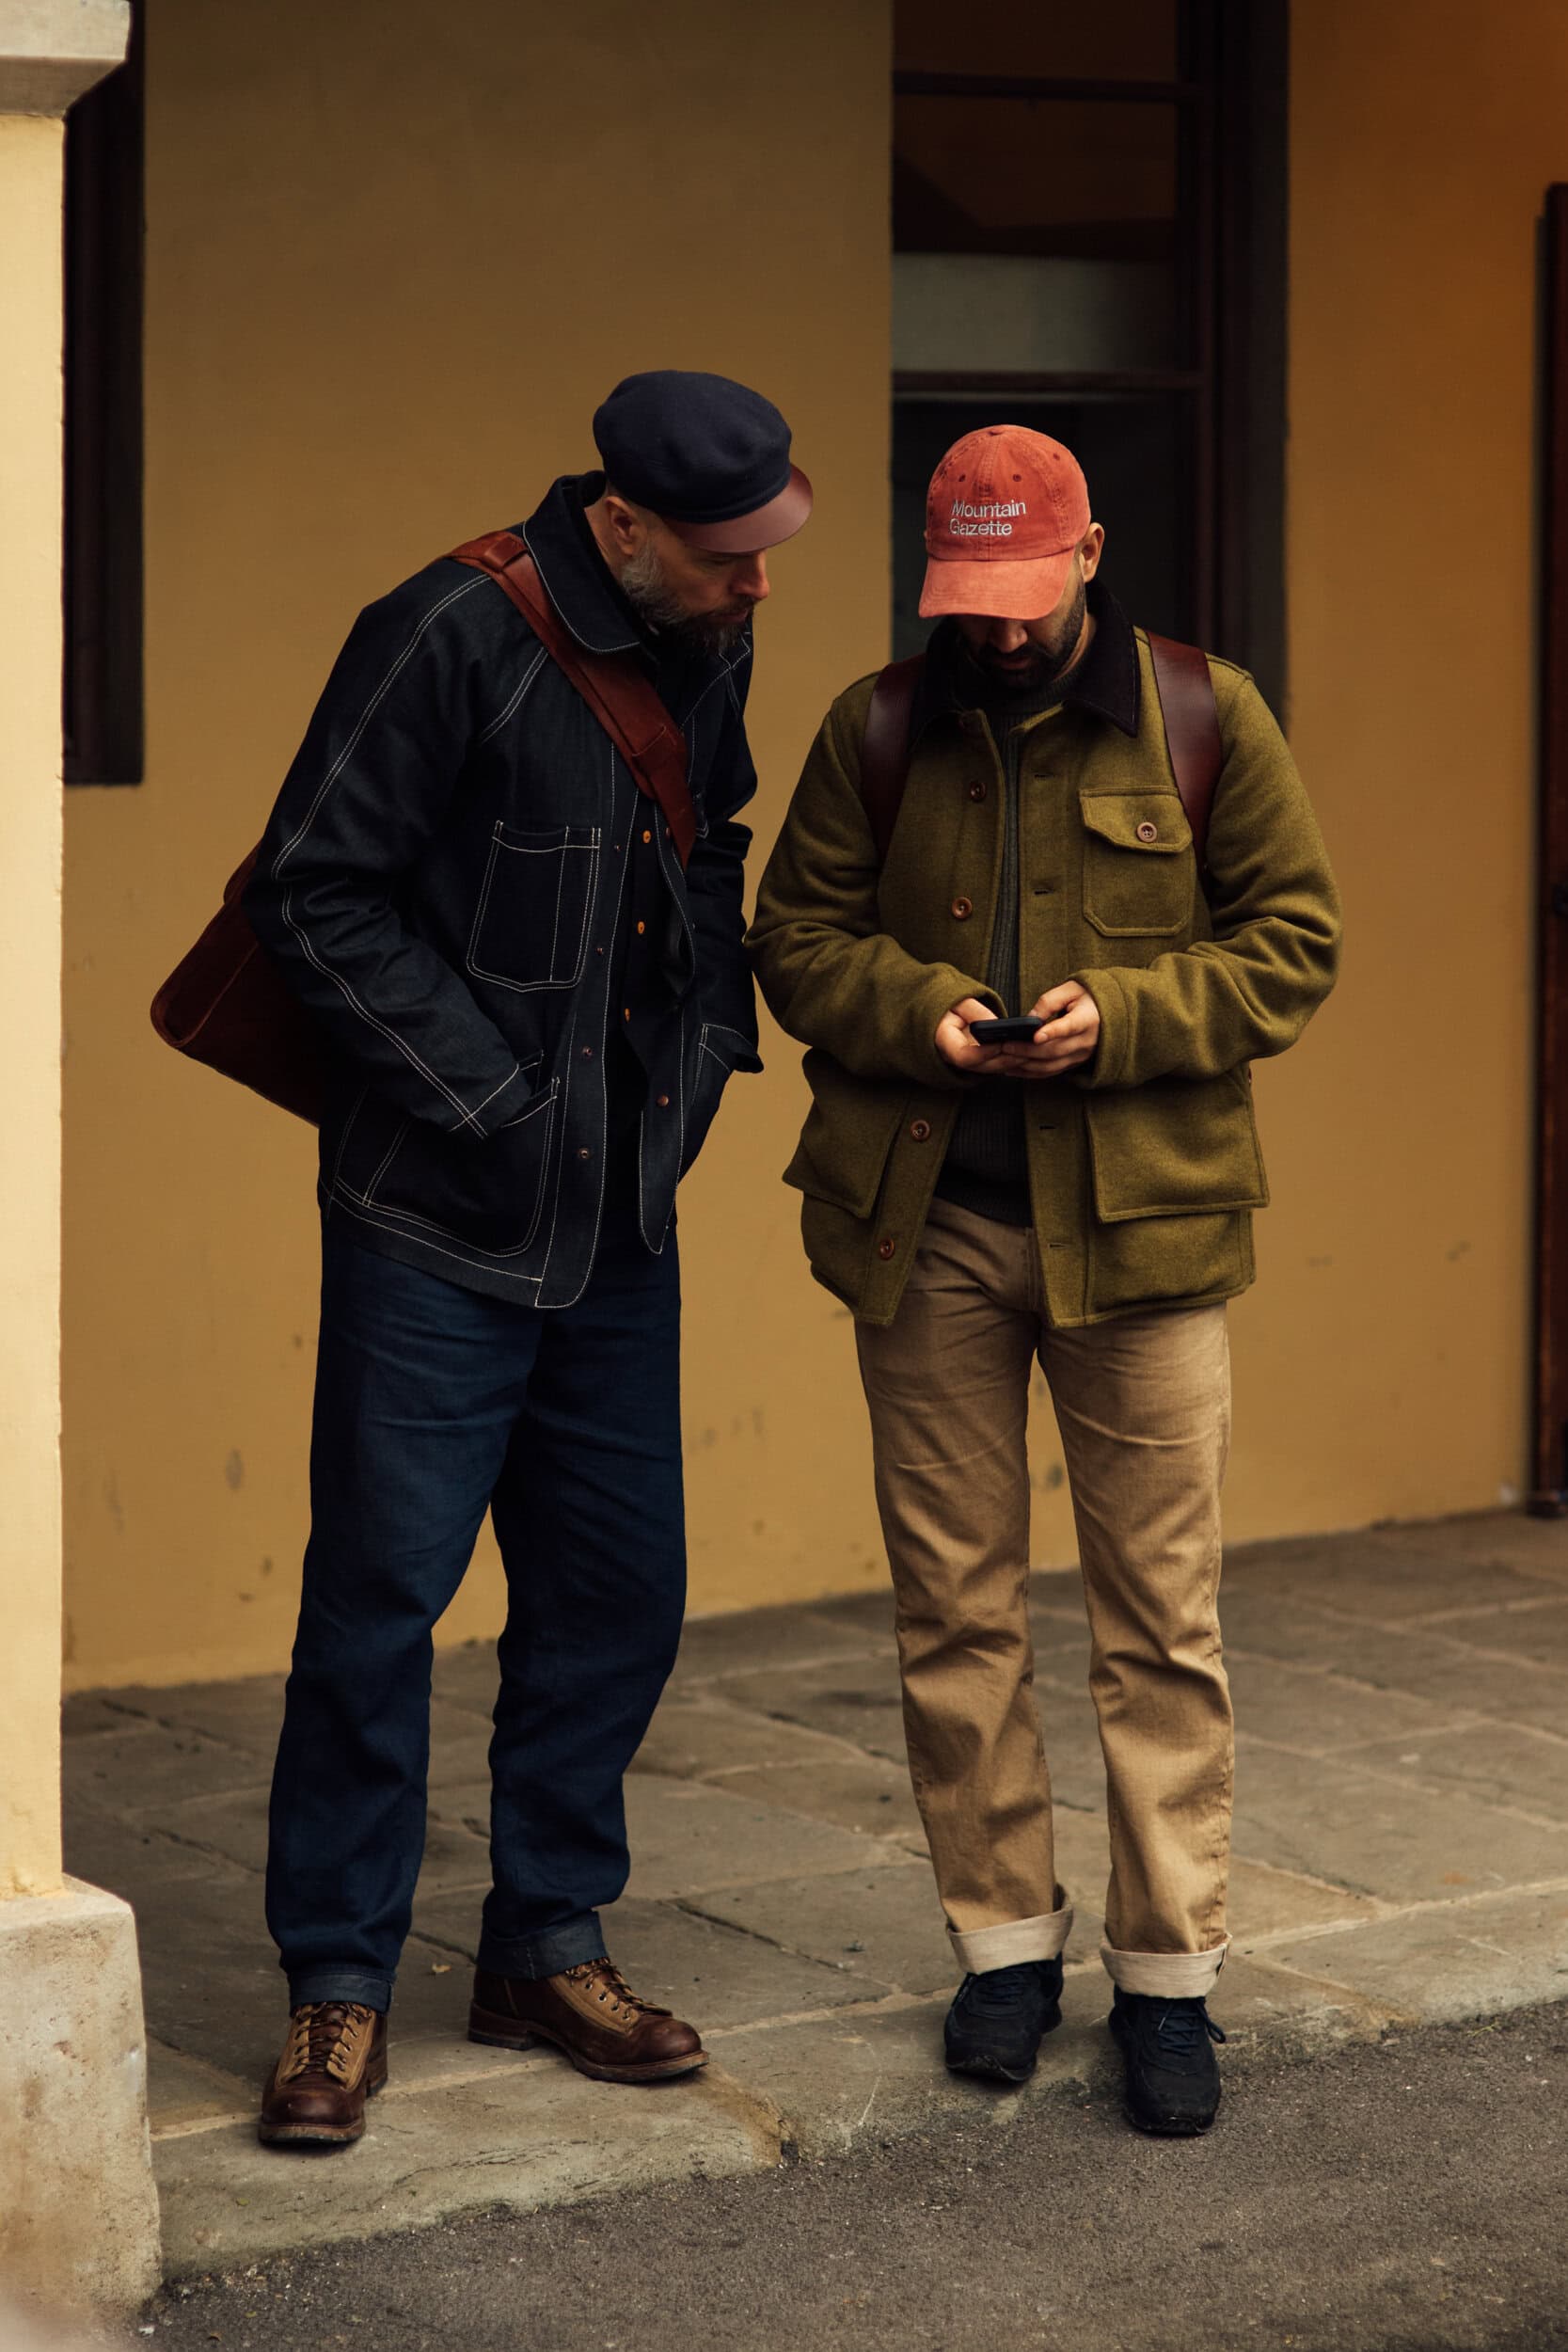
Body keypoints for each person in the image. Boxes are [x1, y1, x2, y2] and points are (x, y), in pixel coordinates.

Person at [748, 424, 1339, 2137]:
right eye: (965, 599)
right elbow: (795, 937)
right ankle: (1004, 1951)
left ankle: (1170, 1985)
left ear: (1087, 555)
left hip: (1142, 1241)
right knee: (957, 1609)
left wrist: (1128, 1019)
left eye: (1023, 594)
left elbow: (1294, 938)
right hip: (922, 1226)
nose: (995, 631)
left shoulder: (1205, 714)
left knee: (1161, 1620)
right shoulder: (873, 725)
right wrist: (911, 1010)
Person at [245, 370, 812, 2146]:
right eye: (728, 555)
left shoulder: (702, 628)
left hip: (616, 1220)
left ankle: (543, 1945)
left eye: (769, 547)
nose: (758, 583)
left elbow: (706, 850)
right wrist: (493, 1097)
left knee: (615, 1600)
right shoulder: (442, 634)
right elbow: (308, 891)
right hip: (435, 1220)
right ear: (623, 526)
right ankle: (337, 1985)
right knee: (380, 1609)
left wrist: (704, 1052)